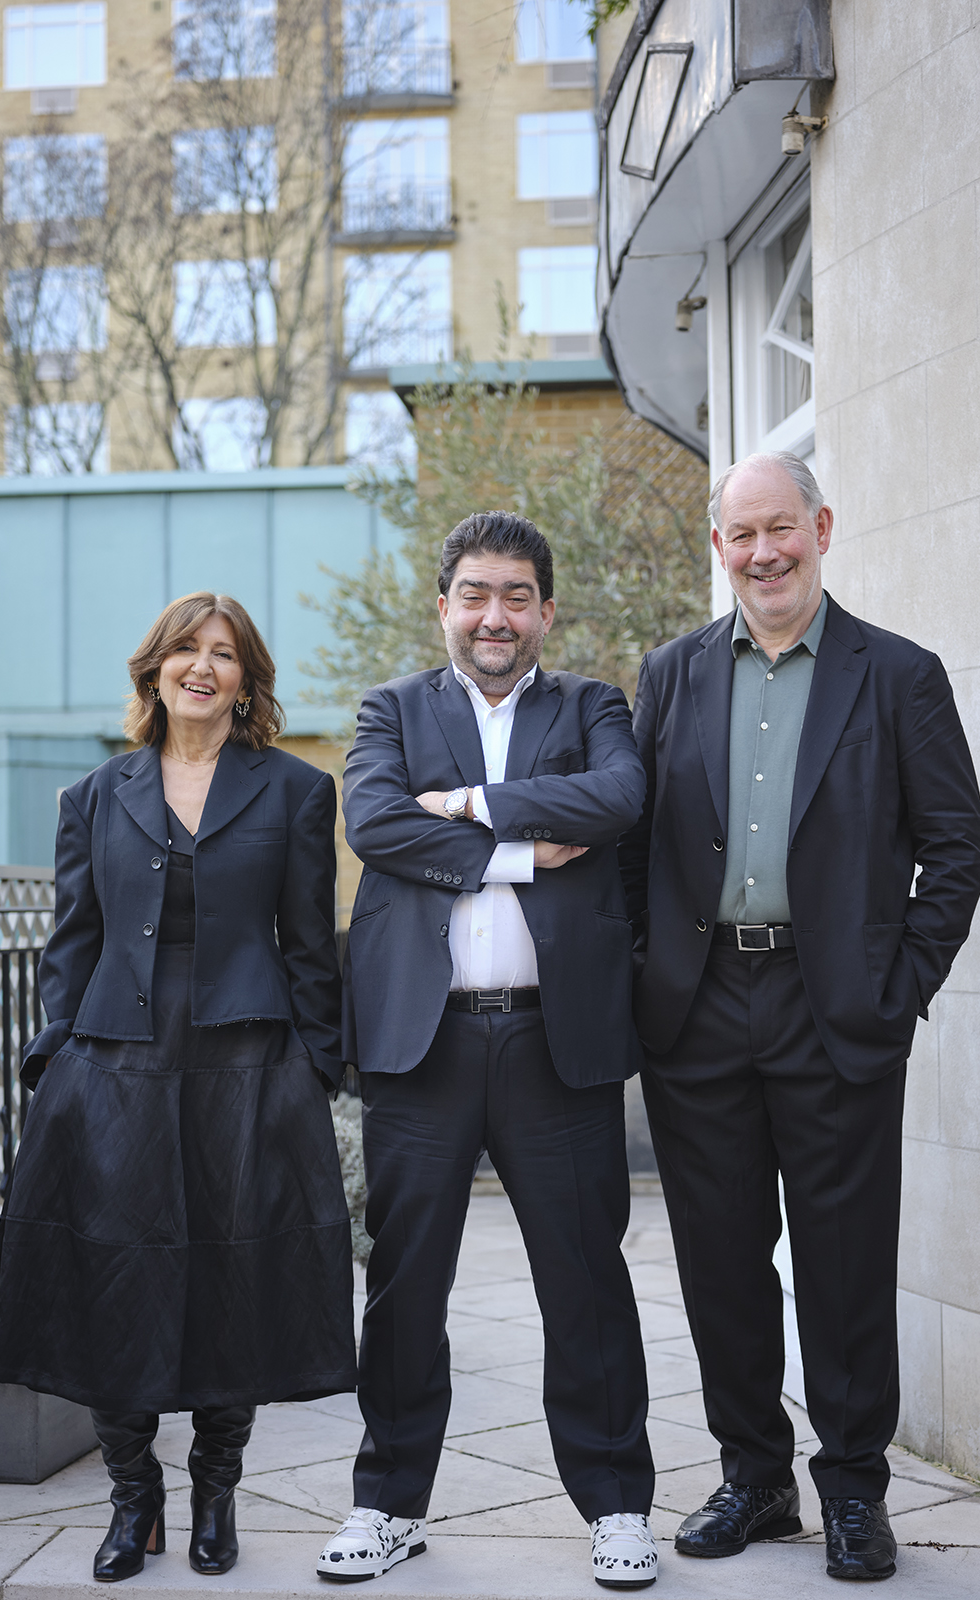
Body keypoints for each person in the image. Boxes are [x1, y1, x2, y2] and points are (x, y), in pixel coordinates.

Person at [619, 453, 980, 1582]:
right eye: (743, 535)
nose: (765, 552)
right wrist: (643, 975)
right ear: (719, 545)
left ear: (821, 527)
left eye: (783, 528)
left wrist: (900, 981)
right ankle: (755, 1478)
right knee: (721, 1263)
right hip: (698, 1009)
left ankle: (855, 1490)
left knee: (842, 1262)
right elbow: (633, 849)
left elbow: (958, 848)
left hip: (839, 1014)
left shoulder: (900, 676)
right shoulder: (671, 674)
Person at [317, 512, 658, 1590]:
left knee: (585, 1282)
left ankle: (615, 1506)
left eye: (516, 595)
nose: (495, 614)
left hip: (557, 1043)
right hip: (423, 1045)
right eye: (475, 593)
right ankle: (387, 1504)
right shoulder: (391, 710)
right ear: (445, 606)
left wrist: (465, 807)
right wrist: (522, 853)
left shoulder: (594, 706)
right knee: (406, 1288)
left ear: (546, 611)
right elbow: (372, 820)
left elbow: (616, 800)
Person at [0, 591, 356, 1584]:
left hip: (247, 1066)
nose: (204, 665)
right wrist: (53, 1056)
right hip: (114, 1070)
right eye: (186, 649)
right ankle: (131, 1495)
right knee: (118, 1280)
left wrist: (316, 1061)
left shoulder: (292, 791)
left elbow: (311, 943)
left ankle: (216, 1491)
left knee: (231, 1279)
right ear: (153, 671)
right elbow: (72, 944)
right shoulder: (94, 798)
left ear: (246, 680)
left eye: (224, 653)